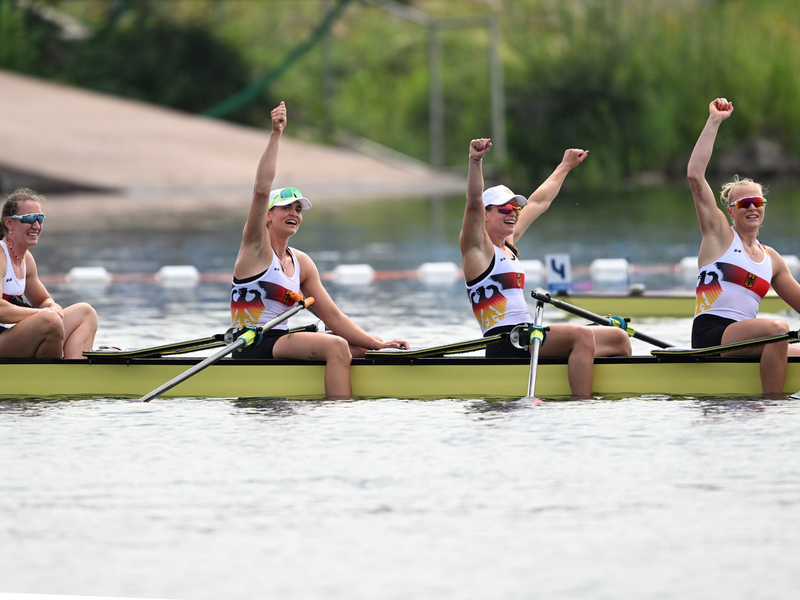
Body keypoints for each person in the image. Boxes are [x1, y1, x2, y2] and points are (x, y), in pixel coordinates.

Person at [230, 101, 409, 399]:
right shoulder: (254, 249)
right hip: (251, 345)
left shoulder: (302, 262)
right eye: (286, 207)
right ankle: (336, 413)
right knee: (338, 346)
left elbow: (334, 317)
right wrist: (276, 134)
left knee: (362, 343)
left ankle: (333, 388)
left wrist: (377, 344)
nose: (295, 213)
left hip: (281, 341)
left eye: (298, 209)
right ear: (268, 216)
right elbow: (261, 189)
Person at [461, 138, 631, 397]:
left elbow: (539, 202)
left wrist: (564, 166)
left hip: (527, 336)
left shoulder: (508, 244)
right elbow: (473, 201)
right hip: (506, 343)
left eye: (516, 209)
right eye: (506, 209)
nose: (514, 214)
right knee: (581, 337)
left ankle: (620, 388)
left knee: (618, 337)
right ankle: (583, 405)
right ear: (485, 214)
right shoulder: (476, 249)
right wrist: (475, 162)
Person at [688, 97, 800, 395]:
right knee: (779, 330)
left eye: (757, 202)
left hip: (749, 339)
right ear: (731, 212)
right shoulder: (719, 236)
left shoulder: (772, 259)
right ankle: (770, 402)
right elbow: (695, 176)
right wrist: (714, 121)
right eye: (744, 203)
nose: (752, 207)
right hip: (712, 336)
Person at [0, 188, 98, 359]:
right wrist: (44, 314)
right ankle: (52, 379)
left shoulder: (26, 260)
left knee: (85, 313)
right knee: (49, 321)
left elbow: (42, 300)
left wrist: (52, 307)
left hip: (14, 334)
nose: (36, 226)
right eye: (29, 219)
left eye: (40, 218)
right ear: (9, 223)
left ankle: (75, 374)